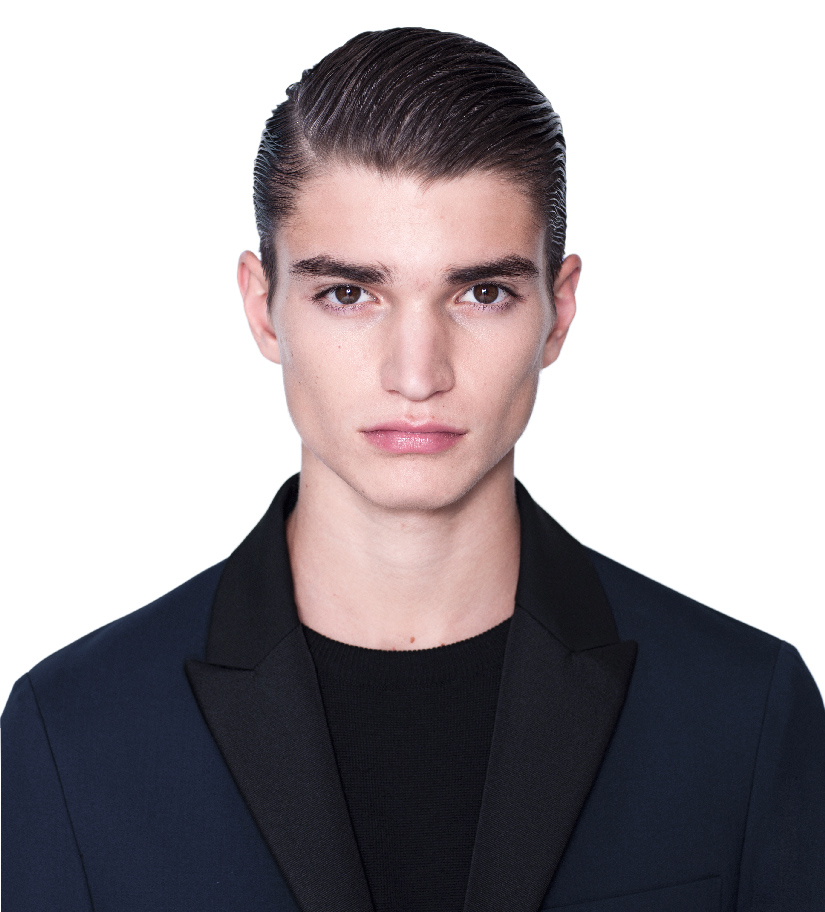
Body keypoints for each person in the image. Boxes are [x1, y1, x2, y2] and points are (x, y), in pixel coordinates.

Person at [2, 26, 823, 912]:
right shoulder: (72, 731)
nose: (417, 373)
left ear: (557, 312)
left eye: (482, 293)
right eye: (348, 294)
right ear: (263, 308)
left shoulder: (743, 711)